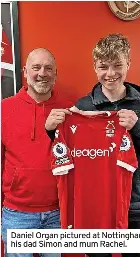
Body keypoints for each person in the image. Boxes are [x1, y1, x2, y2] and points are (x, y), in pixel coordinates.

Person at [45, 33, 140, 257]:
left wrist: (138, 127)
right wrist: (52, 131)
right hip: (95, 206)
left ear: (128, 63)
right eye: (103, 67)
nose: (110, 74)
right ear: (95, 67)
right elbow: (70, 154)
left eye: (118, 65)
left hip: (136, 205)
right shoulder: (82, 106)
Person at [1, 48, 72, 257]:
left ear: (56, 74)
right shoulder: (4, 109)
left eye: (48, 68)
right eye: (36, 67)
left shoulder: (69, 110)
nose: (42, 73)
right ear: (25, 72)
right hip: (16, 214)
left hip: (56, 214)